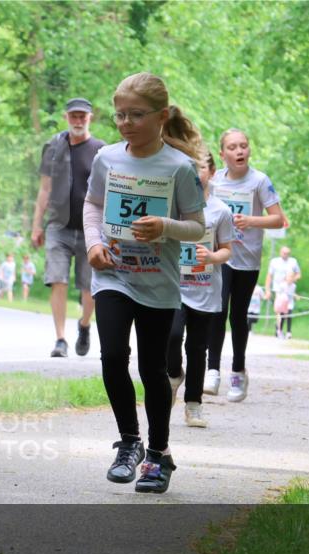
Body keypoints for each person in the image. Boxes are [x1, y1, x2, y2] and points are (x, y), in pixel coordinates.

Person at [83, 72, 206, 494]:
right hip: (113, 274)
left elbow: (196, 226)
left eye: (136, 115)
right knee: (113, 355)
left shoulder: (179, 167)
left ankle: (158, 455)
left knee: (152, 369)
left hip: (157, 282)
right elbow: (93, 204)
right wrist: (94, 242)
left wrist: (166, 226)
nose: (126, 123)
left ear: (162, 116)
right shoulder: (107, 158)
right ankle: (129, 443)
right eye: (119, 115)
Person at [204, 129, 286, 401]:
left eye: (243, 146)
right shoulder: (214, 181)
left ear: (249, 150)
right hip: (221, 254)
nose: (239, 151)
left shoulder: (259, 181)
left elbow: (278, 219)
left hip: (247, 258)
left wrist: (250, 221)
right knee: (217, 308)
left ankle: (238, 371)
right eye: (232, 147)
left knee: (238, 316)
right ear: (222, 154)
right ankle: (212, 370)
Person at [32, 97, 106, 358]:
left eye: (82, 116)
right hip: (58, 225)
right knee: (58, 280)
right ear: (66, 117)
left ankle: (84, 325)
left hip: (91, 229)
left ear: (90, 118)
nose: (78, 120)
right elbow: (44, 188)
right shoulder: (53, 147)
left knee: (90, 287)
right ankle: (60, 339)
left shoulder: (101, 150)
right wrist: (36, 226)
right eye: (73, 116)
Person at [167, 150, 233, 428]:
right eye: (191, 167)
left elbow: (228, 250)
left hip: (205, 289)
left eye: (202, 167)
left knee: (197, 349)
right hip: (175, 286)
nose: (196, 173)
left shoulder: (221, 211)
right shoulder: (174, 206)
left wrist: (212, 257)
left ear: (212, 172)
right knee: (171, 337)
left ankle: (193, 405)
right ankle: (173, 374)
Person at [266, 247, 301, 339]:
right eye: (284, 252)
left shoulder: (293, 261)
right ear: (280, 252)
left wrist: (290, 280)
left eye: (287, 253)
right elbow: (269, 276)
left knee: (289, 311)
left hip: (289, 289)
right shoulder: (274, 261)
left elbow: (298, 274)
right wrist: (267, 290)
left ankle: (287, 331)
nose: (285, 254)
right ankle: (278, 329)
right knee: (279, 312)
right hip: (278, 290)